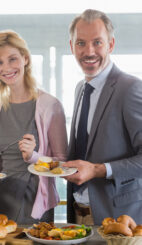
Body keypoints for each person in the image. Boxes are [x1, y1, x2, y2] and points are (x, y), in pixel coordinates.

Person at [64, 9, 142, 225]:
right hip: (78, 214)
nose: (89, 51)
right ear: (71, 47)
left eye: (97, 42)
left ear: (111, 44)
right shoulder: (80, 88)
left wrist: (98, 170)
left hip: (118, 218)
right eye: (81, 43)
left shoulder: (131, 89)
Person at [0, 30, 67, 224]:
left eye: (12, 59)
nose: (6, 68)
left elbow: (63, 164)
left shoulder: (50, 105)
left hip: (33, 202)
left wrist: (33, 157)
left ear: (25, 59)